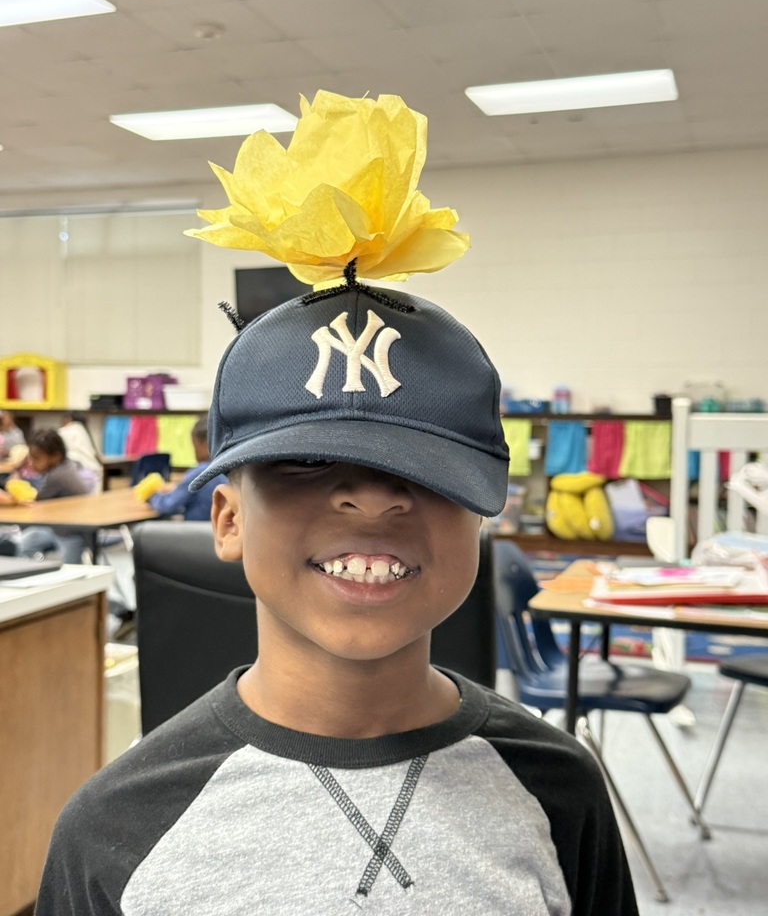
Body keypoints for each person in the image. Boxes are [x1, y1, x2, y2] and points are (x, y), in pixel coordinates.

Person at [36, 91, 639, 915]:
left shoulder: (559, 791)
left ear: (481, 516)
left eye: (424, 468)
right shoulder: (115, 829)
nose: (370, 498)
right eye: (307, 463)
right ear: (226, 518)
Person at [0, 428, 90, 563]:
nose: (31, 463)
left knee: (26, 542)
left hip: (71, 532)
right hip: (61, 527)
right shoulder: (66, 465)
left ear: (55, 456)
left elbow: (37, 502)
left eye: (35, 458)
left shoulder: (58, 476)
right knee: (27, 541)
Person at [143, 414, 227, 520]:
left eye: (195, 447)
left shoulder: (202, 472)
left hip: (196, 532)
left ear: (206, 445)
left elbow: (169, 505)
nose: (194, 453)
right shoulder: (228, 468)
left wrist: (152, 497)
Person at [58, 412, 103, 493]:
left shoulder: (69, 430)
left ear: (68, 419)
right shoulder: (83, 430)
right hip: (94, 474)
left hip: (80, 474)